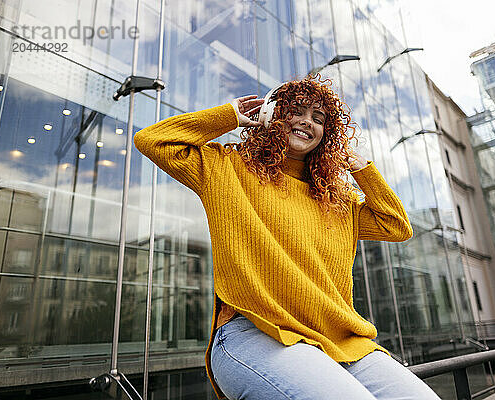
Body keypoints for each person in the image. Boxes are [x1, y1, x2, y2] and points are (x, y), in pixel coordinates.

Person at [134, 77, 440, 400]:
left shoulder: (338, 200)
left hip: (338, 342)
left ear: (327, 134)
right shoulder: (226, 168)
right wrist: (228, 116)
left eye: (318, 118)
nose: (307, 121)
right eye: (297, 110)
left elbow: (396, 225)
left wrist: (362, 168)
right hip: (252, 334)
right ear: (272, 114)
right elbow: (152, 139)